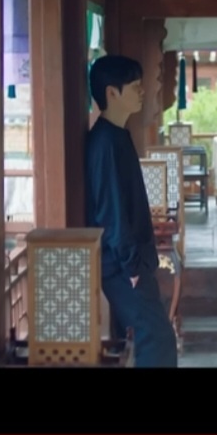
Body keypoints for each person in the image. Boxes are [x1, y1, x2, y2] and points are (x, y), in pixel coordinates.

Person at [85, 55, 178, 367]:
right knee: (157, 339)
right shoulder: (104, 143)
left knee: (156, 337)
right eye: (135, 86)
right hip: (121, 266)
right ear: (112, 93)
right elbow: (110, 214)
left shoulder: (117, 135)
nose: (142, 91)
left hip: (130, 261)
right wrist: (133, 268)